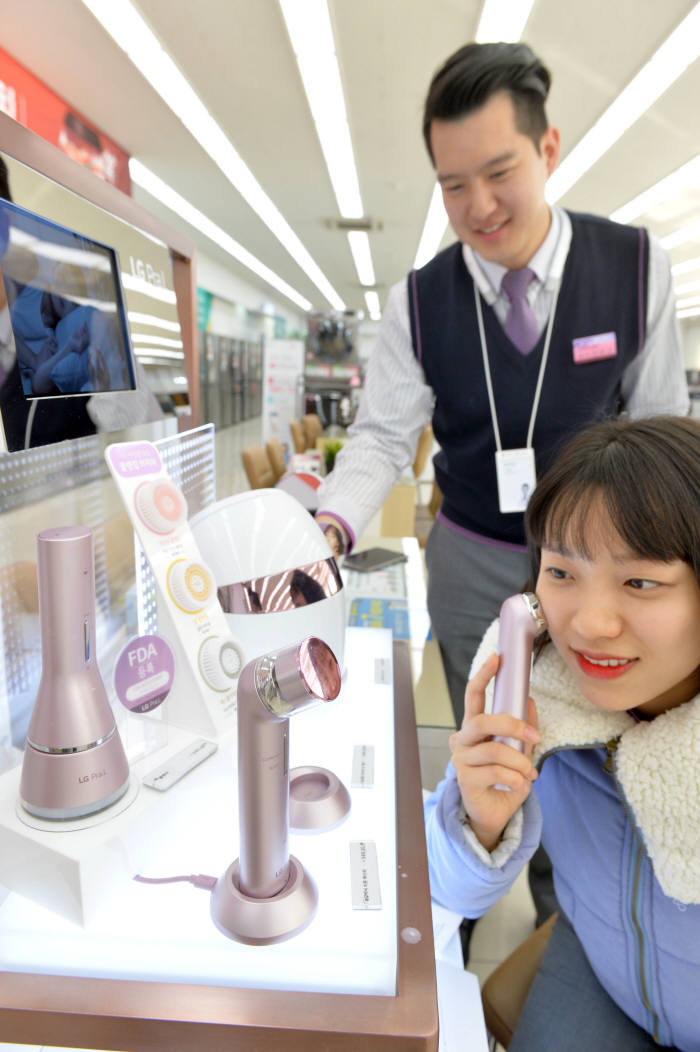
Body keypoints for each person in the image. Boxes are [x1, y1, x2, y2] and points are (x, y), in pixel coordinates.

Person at [315, 41, 689, 730]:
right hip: (470, 556)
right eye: (454, 185)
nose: (479, 206)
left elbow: (664, 424)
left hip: (598, 564)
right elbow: (379, 439)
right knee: (488, 728)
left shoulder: (635, 268)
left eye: (499, 172)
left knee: (601, 734)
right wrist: (327, 531)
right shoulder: (419, 301)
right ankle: (490, 839)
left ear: (547, 148)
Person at [425, 415, 700, 1051]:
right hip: (597, 970)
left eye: (640, 582)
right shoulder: (536, 689)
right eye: (562, 573)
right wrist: (479, 820)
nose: (591, 623)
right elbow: (449, 891)